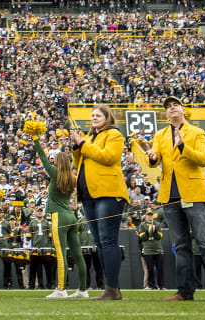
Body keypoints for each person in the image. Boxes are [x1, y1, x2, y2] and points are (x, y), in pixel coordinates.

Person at [149, 97, 205, 302]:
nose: (171, 108)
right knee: (181, 246)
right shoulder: (159, 135)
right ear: (166, 114)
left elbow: (204, 159)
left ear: (183, 110)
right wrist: (152, 157)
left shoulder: (197, 132)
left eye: (175, 105)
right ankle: (184, 292)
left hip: (194, 195)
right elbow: (155, 159)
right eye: (167, 107)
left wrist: (184, 147)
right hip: (170, 197)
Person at [71, 103, 128, 301]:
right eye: (92, 115)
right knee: (100, 243)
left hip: (108, 193)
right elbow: (79, 162)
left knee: (107, 240)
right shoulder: (89, 137)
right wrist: (76, 146)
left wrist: (84, 145)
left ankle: (111, 289)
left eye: (98, 115)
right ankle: (112, 289)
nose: (94, 118)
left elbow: (109, 157)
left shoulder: (114, 135)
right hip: (89, 194)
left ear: (107, 117)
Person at [33, 133, 87, 298]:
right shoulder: (72, 177)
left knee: (61, 254)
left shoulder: (55, 173)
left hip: (59, 216)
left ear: (57, 162)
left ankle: (61, 289)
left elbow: (42, 156)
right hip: (71, 216)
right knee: (78, 254)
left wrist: (35, 139)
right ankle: (83, 290)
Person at [136, 211, 163, 291]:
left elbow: (159, 236)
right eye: (148, 215)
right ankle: (152, 285)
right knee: (150, 268)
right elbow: (142, 237)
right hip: (148, 250)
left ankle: (161, 285)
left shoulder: (157, 224)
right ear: (146, 216)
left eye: (151, 215)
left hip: (157, 248)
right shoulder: (142, 225)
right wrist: (148, 232)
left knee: (160, 268)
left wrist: (153, 231)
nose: (150, 217)